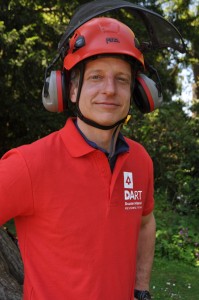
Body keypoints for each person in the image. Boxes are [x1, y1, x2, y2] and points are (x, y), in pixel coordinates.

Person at [0, 16, 157, 300]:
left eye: (121, 79)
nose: (110, 89)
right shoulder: (29, 164)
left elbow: (146, 223)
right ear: (70, 89)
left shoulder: (140, 160)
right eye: (96, 76)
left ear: (137, 92)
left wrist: (141, 289)